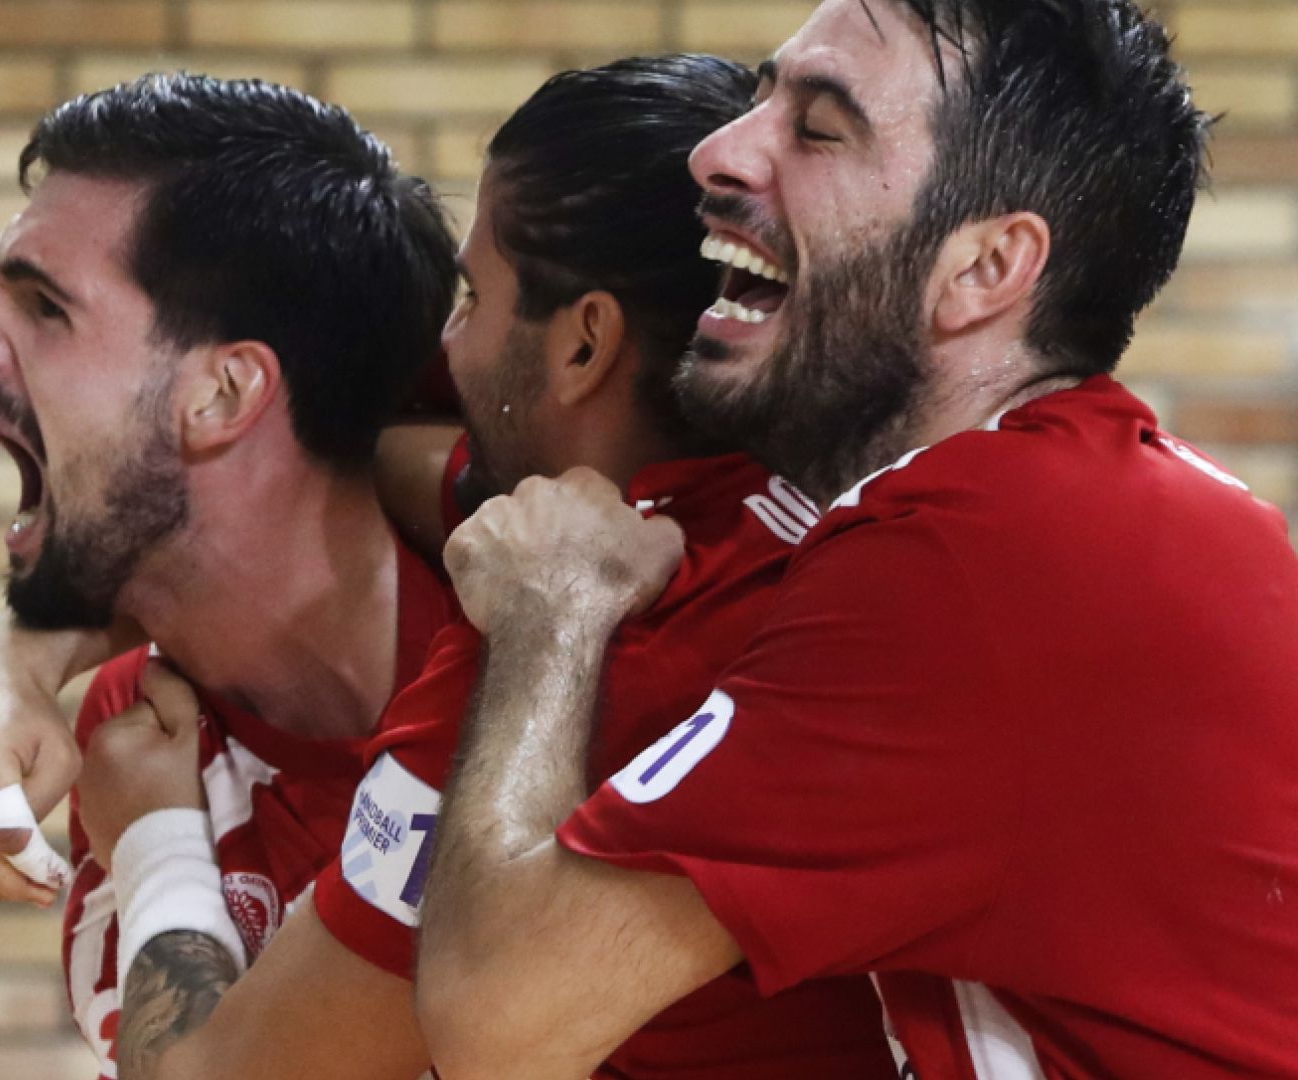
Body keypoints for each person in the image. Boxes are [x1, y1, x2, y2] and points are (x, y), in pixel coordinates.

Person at [0, 57, 897, 1080]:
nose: (443, 347)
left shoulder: (581, 632)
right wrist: (11, 658)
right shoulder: (791, 509)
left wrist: (157, 845)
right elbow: (346, 427)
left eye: (45, 306)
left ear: (584, 345)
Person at [415, 2, 1298, 1078]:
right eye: (758, 98)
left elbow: (498, 1014)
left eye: (819, 129)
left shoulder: (972, 559)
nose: (716, 151)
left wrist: (547, 614)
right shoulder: (1097, 504)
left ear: (984, 268)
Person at [0, 72, 462, 1073]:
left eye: (44, 306)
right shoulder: (135, 740)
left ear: (223, 393)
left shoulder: (560, 651)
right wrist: (7, 660)